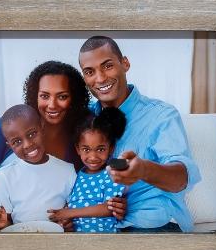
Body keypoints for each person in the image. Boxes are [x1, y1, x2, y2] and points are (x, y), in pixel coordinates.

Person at [0, 60, 125, 232]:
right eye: (44, 95)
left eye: (62, 96)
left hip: (17, 222)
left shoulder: (83, 134)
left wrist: (114, 202)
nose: (52, 104)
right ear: (35, 95)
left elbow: (81, 184)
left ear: (74, 99)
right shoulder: (19, 125)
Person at [77, 36, 201, 232]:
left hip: (152, 224)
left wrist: (144, 170)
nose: (100, 78)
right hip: (102, 227)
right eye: (90, 72)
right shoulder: (85, 120)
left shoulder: (161, 115)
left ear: (125, 63)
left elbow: (182, 179)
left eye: (107, 66)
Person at [0, 104, 77, 231]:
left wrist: (69, 221)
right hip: (21, 243)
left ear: (42, 127)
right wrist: (2, 223)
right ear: (9, 146)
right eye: (17, 142)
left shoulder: (67, 171)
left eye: (32, 134)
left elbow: (74, 213)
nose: (28, 145)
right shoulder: (5, 176)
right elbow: (5, 226)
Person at [47, 107, 126, 233]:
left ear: (111, 148)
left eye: (100, 149)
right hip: (78, 242)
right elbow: (72, 205)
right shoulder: (77, 175)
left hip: (104, 241)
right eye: (86, 149)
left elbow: (109, 208)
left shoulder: (112, 173)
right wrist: (66, 221)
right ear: (78, 149)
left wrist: (69, 213)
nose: (93, 157)